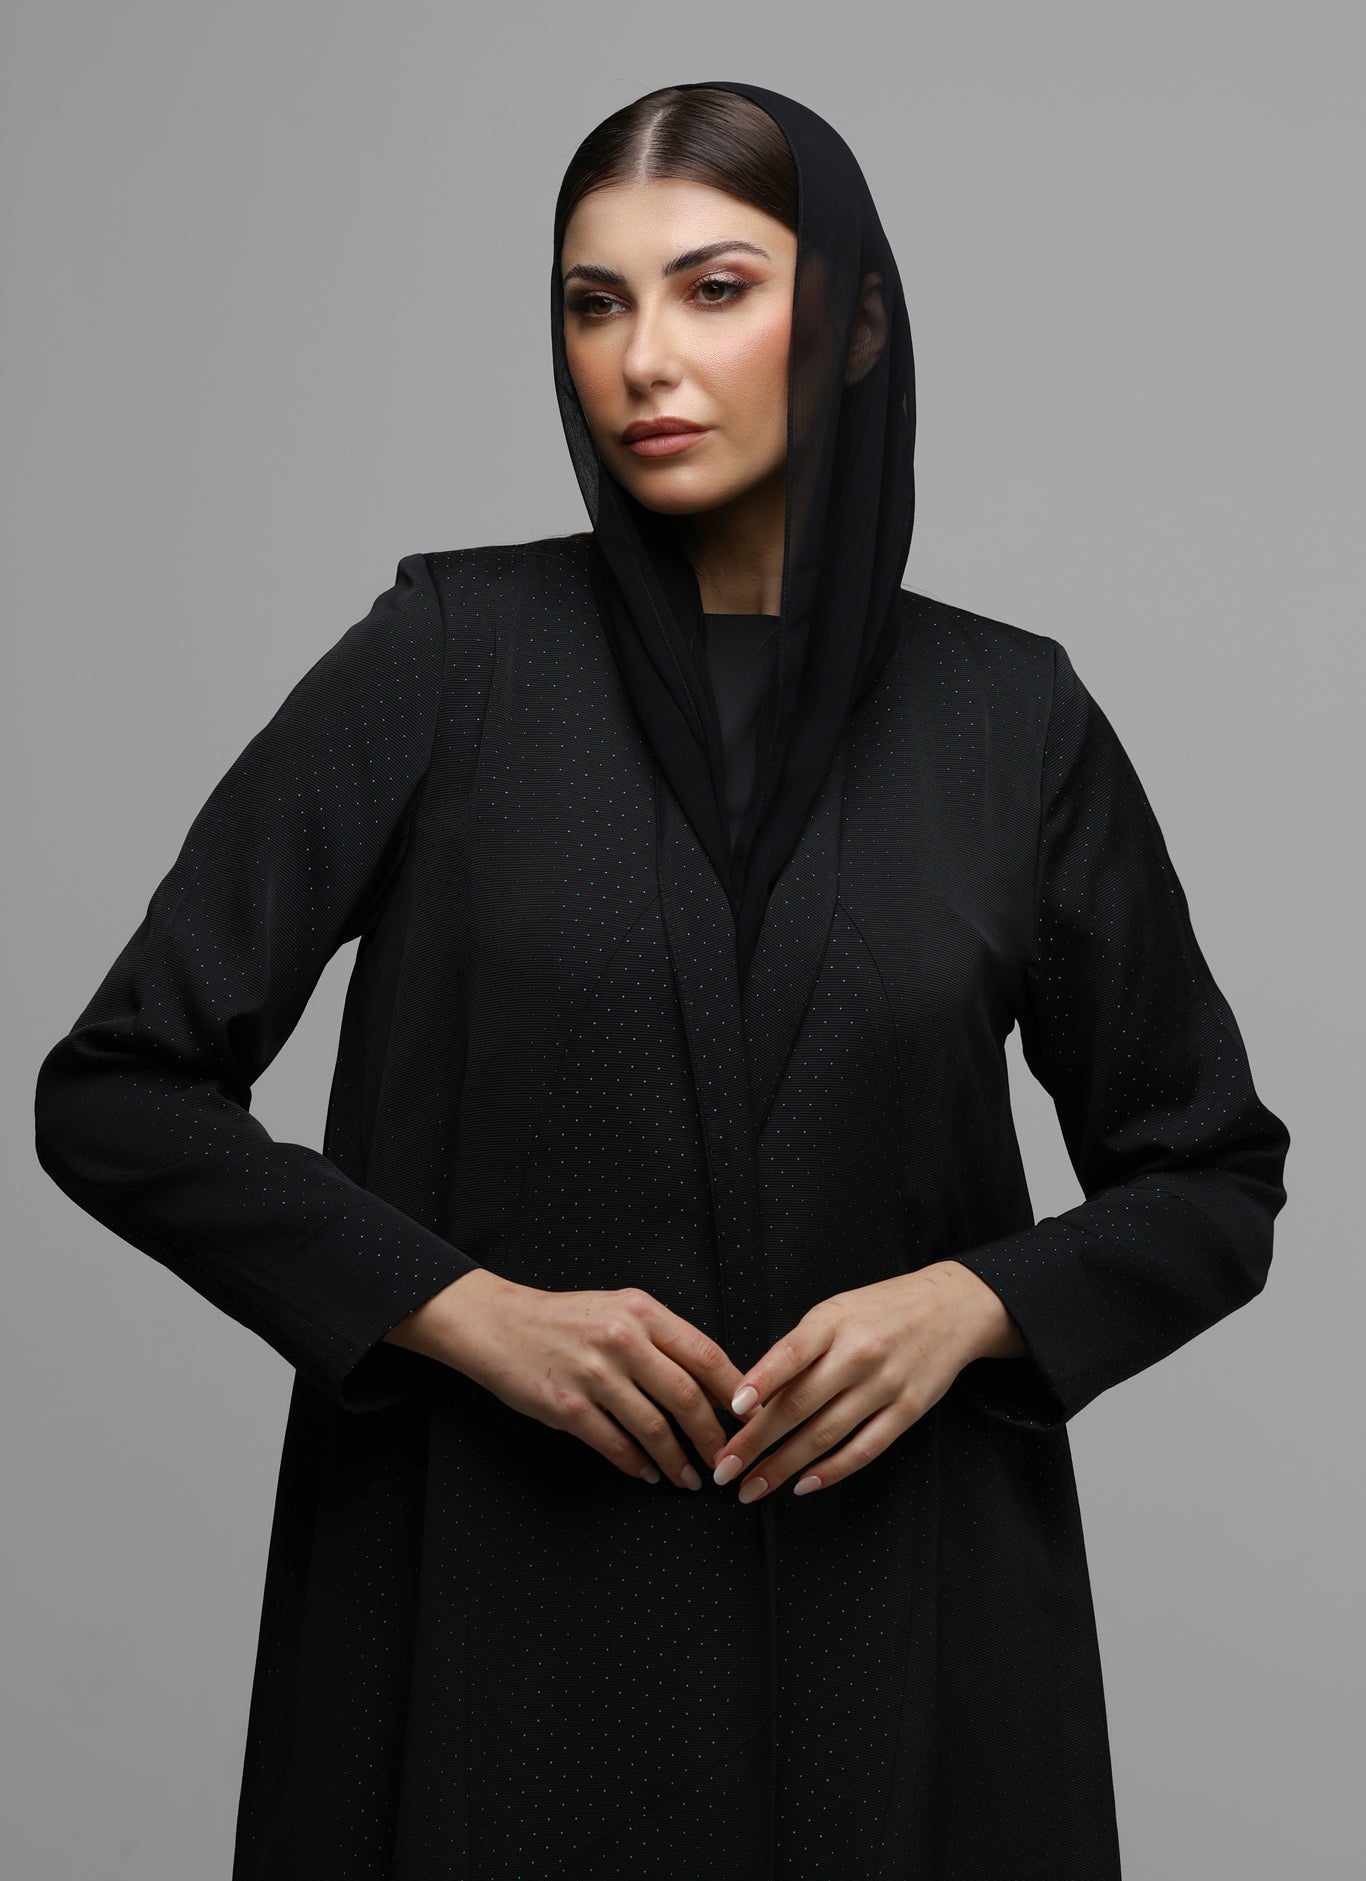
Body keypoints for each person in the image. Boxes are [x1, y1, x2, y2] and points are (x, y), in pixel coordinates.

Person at [33, 79, 1290, 1881]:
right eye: (593, 301)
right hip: (487, 1630)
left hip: (902, 1652)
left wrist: (972, 1303)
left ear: (854, 320)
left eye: (713, 289)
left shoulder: (1007, 724)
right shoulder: (446, 662)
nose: (641, 360)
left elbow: (1208, 1174)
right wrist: (462, 1308)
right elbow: (117, 1090)